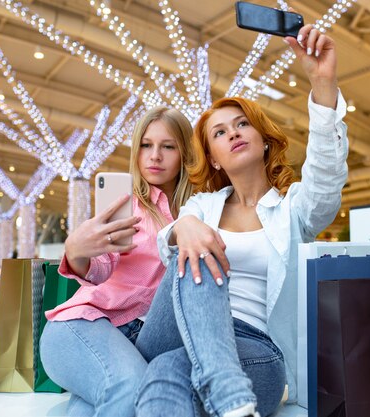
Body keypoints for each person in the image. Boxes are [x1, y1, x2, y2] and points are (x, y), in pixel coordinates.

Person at [134, 25, 348, 417]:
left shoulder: (293, 210)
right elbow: (170, 247)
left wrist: (323, 84)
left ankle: (227, 387)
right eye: (219, 132)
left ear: (263, 138)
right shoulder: (200, 207)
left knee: (165, 374)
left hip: (256, 351)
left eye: (242, 124)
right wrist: (185, 227)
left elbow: (326, 176)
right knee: (195, 249)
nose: (233, 133)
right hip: (179, 333)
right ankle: (229, 392)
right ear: (214, 157)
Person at [39, 106, 194, 417]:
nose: (155, 156)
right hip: (82, 325)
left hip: (138, 342)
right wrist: (78, 252)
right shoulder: (126, 205)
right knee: (131, 387)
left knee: (100, 402)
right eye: (146, 146)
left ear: (185, 153)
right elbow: (100, 268)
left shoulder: (198, 211)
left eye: (168, 146)